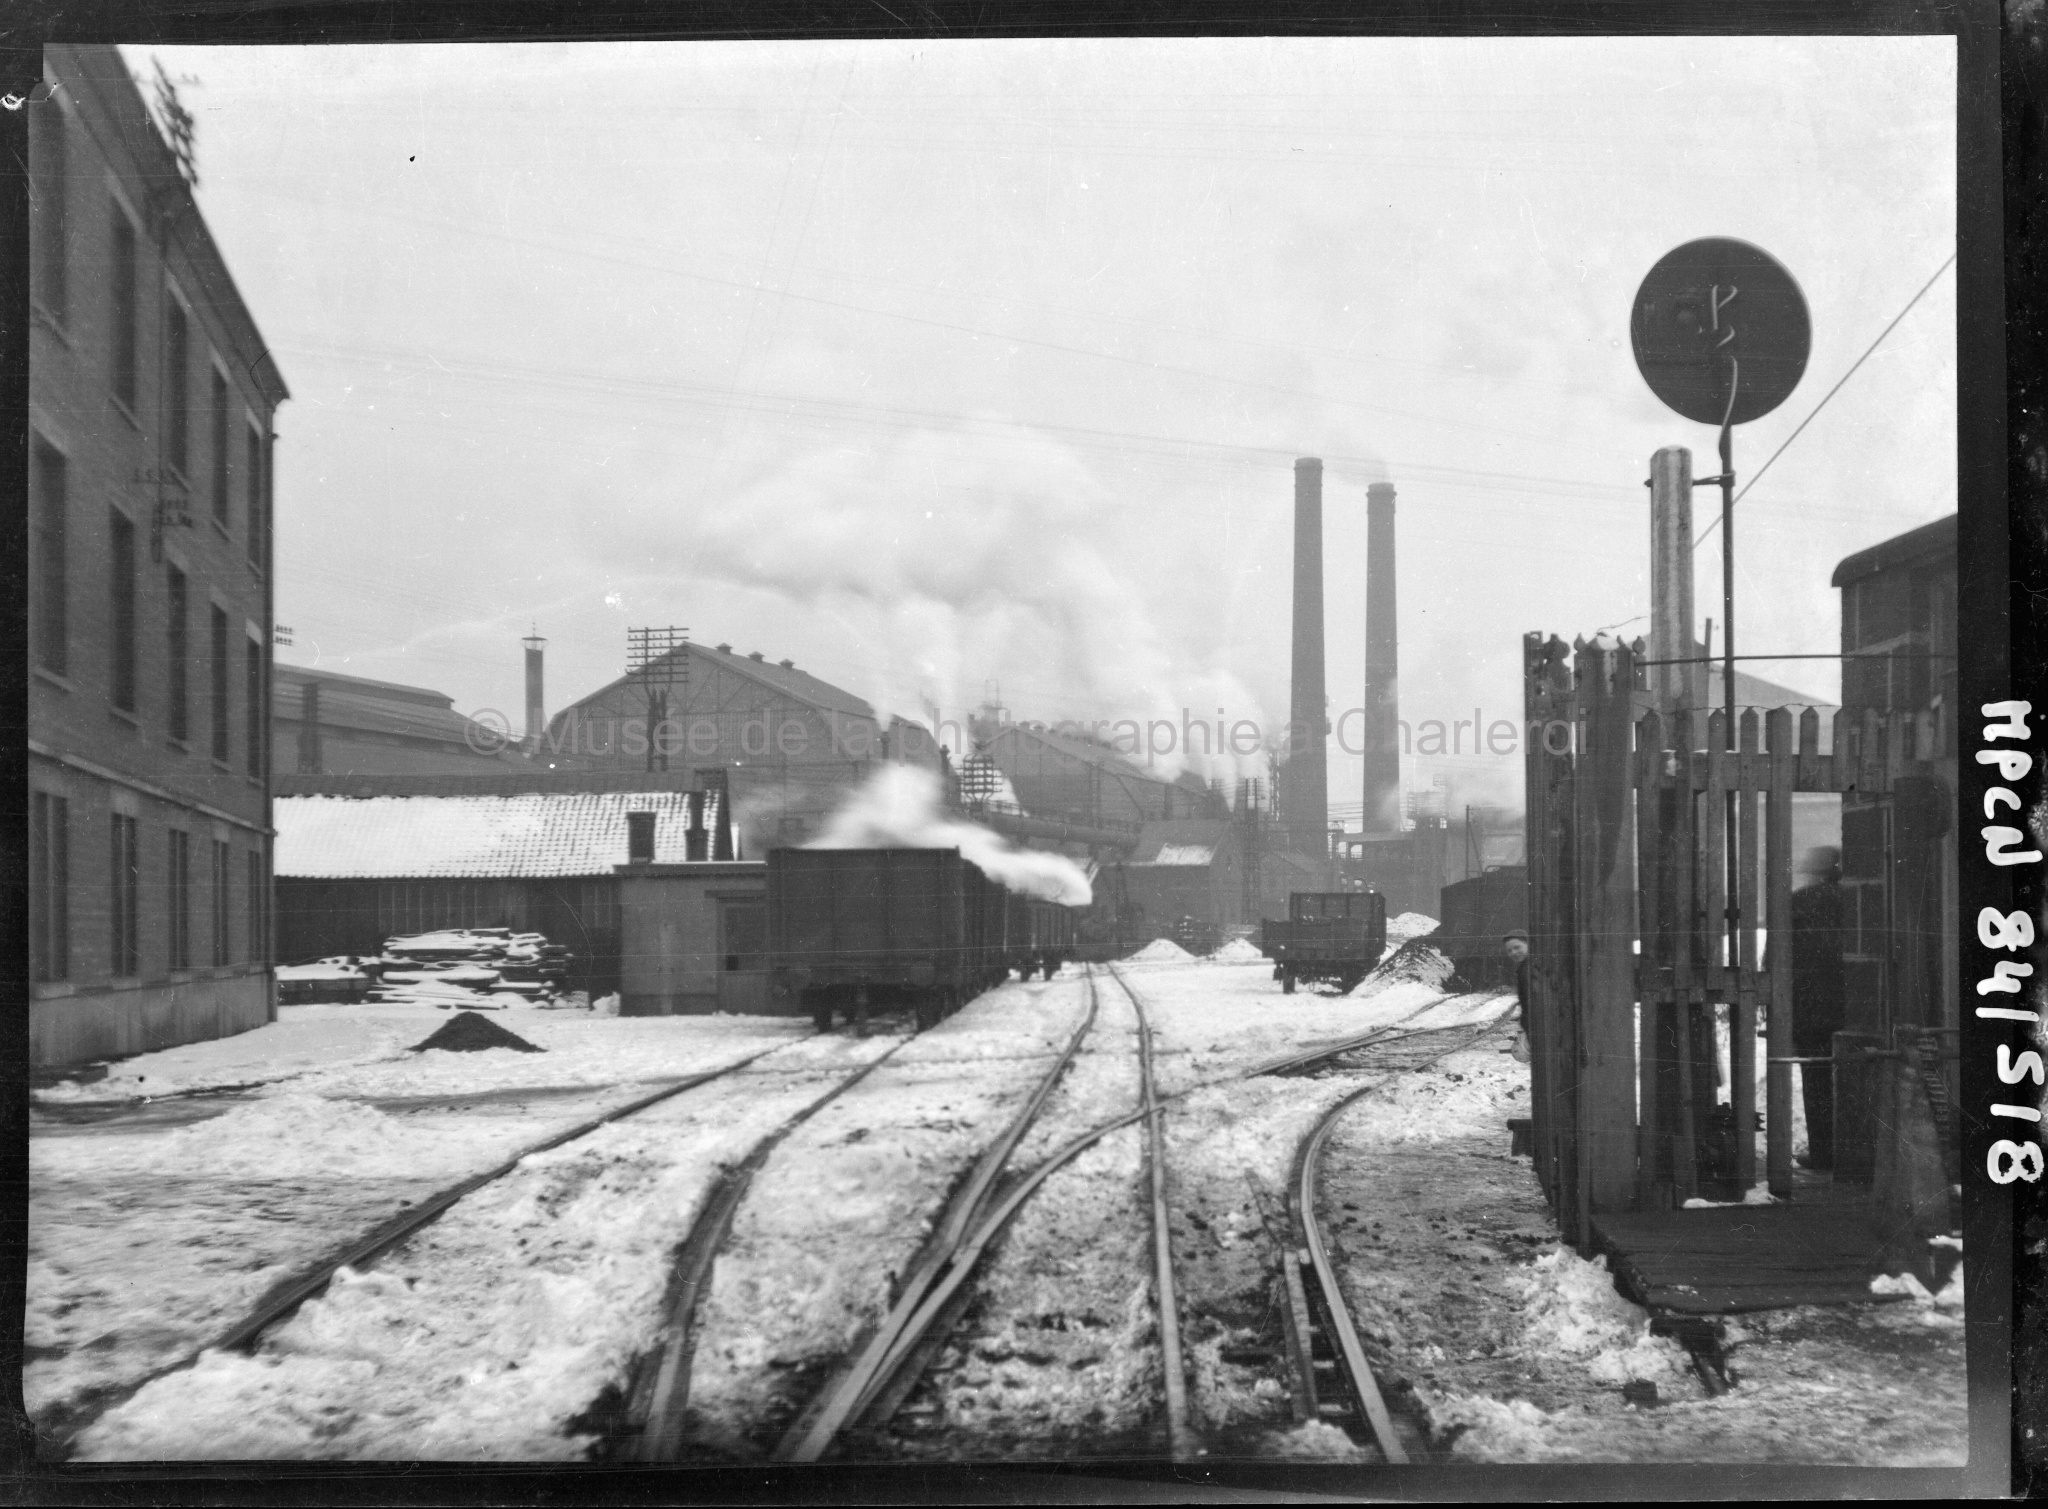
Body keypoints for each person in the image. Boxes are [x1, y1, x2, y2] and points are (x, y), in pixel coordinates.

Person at [1785, 847, 1847, 1169]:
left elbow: (1776, 957)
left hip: (1807, 1008)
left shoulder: (1798, 902)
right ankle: (1849, 1151)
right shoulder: (1850, 900)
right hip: (1848, 1005)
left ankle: (1823, 1153)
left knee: (1816, 1080)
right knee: (1850, 1076)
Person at [1503, 929, 1531, 1060]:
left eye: (1517, 947)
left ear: (1528, 944)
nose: (1513, 952)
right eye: (1509, 950)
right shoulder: (1524, 967)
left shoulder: (1530, 967)